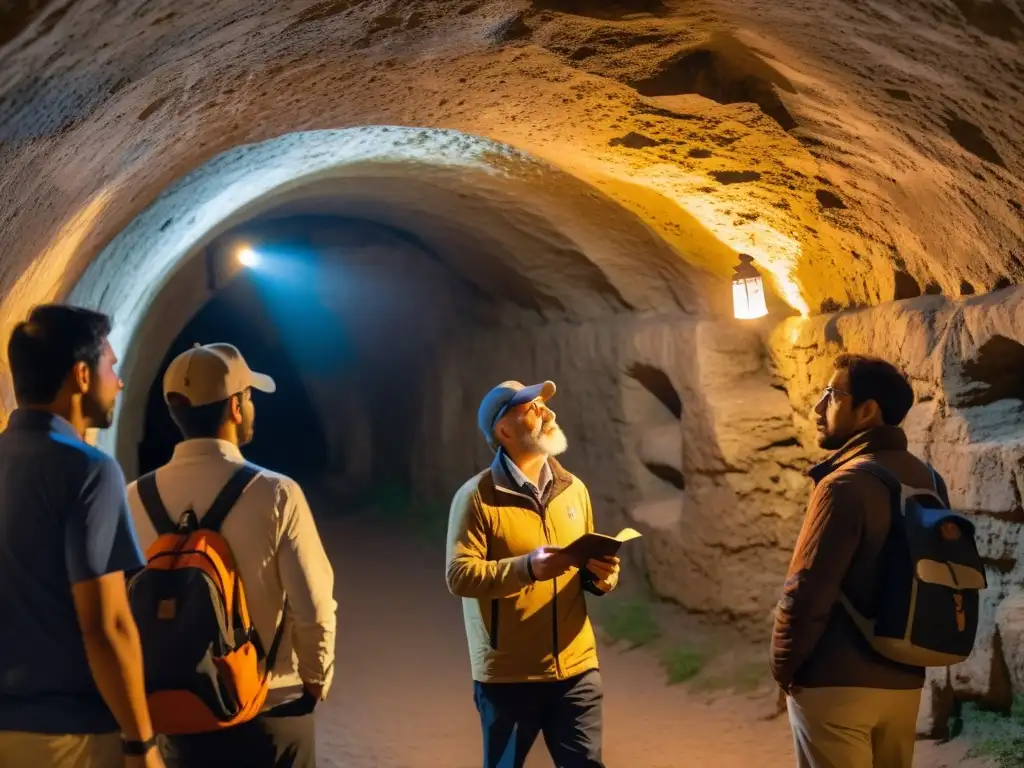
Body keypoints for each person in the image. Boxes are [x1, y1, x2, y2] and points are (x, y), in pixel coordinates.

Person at [126, 343, 336, 768]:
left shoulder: (134, 498)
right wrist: (315, 682)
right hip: (271, 707)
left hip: (179, 714)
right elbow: (312, 604)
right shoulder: (276, 493)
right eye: (250, 397)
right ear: (236, 407)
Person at [0, 304, 163, 768]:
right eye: (111, 365)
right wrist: (142, 743)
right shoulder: (88, 470)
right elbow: (106, 624)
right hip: (68, 737)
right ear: (81, 375)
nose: (121, 380)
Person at [771, 354, 947, 768]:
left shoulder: (844, 483)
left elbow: (807, 590)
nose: (818, 407)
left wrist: (784, 667)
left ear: (867, 410)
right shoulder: (928, 480)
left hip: (834, 683)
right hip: (904, 681)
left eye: (832, 395)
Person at [446, 379, 620, 768]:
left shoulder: (574, 489)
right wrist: (527, 568)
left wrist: (602, 575)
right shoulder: (476, 497)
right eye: (531, 408)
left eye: (543, 404)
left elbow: (587, 573)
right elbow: (459, 575)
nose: (547, 413)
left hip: (577, 669)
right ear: (504, 431)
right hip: (510, 676)